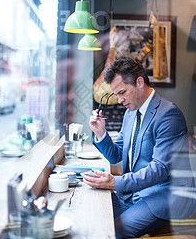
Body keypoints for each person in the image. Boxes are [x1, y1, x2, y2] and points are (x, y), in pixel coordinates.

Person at [81, 57, 196, 238]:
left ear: (139, 82)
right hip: (135, 193)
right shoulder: (130, 113)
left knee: (114, 232)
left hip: (165, 195)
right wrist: (100, 133)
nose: (119, 100)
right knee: (92, 213)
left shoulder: (168, 115)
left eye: (122, 92)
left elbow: (160, 169)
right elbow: (116, 154)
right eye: (116, 94)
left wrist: (115, 182)